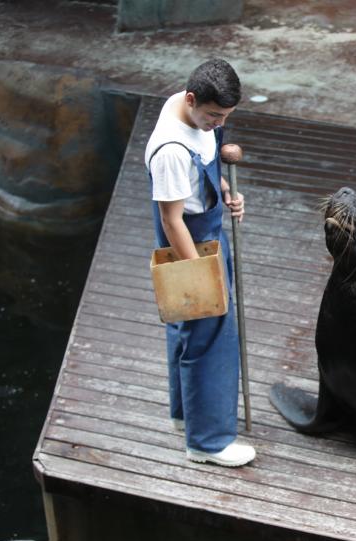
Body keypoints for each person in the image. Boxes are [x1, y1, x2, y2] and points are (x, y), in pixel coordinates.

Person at [144, 59, 255, 467]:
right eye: (213, 116)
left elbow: (204, 165)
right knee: (210, 336)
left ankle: (185, 415)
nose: (217, 123)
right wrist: (200, 277)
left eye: (224, 117)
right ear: (192, 100)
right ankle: (207, 442)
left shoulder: (186, 107)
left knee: (188, 329)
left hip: (207, 228)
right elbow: (171, 220)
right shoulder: (171, 151)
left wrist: (224, 189)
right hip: (190, 242)